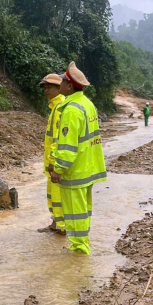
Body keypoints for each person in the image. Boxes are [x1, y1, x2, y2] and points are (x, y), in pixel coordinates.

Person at [47, 62, 107, 255]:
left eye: (62, 80)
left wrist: (58, 169)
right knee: (83, 210)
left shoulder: (71, 110)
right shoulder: (87, 104)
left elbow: (67, 146)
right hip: (87, 168)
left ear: (69, 86)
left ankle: (80, 249)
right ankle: (81, 243)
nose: (60, 83)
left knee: (75, 211)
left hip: (75, 172)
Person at [39, 73, 65, 234]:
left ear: (59, 88)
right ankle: (56, 223)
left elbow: (59, 138)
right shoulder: (55, 106)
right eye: (44, 88)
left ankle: (63, 227)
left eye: (49, 87)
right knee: (53, 195)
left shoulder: (60, 107)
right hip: (52, 162)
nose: (45, 90)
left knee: (58, 195)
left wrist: (53, 161)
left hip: (55, 162)